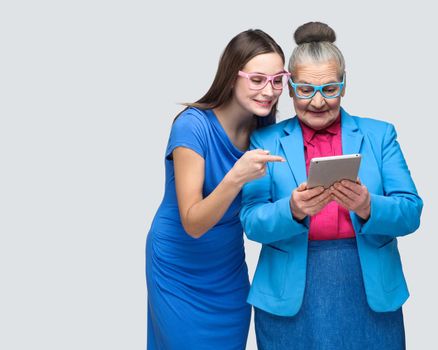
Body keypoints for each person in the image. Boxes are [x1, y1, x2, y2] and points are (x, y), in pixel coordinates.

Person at [240, 22, 423, 349]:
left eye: (330, 89)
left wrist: (369, 206)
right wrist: (292, 210)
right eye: (306, 90)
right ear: (292, 87)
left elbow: (411, 212)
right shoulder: (264, 140)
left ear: (344, 85)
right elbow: (252, 222)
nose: (318, 102)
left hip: (368, 289)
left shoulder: (380, 136)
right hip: (289, 295)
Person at [145, 29, 288, 349]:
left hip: (228, 271)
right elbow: (193, 221)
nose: (269, 90)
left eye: (278, 80)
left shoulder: (264, 132)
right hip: (178, 268)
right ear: (231, 76)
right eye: (257, 79)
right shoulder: (191, 126)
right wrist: (235, 177)